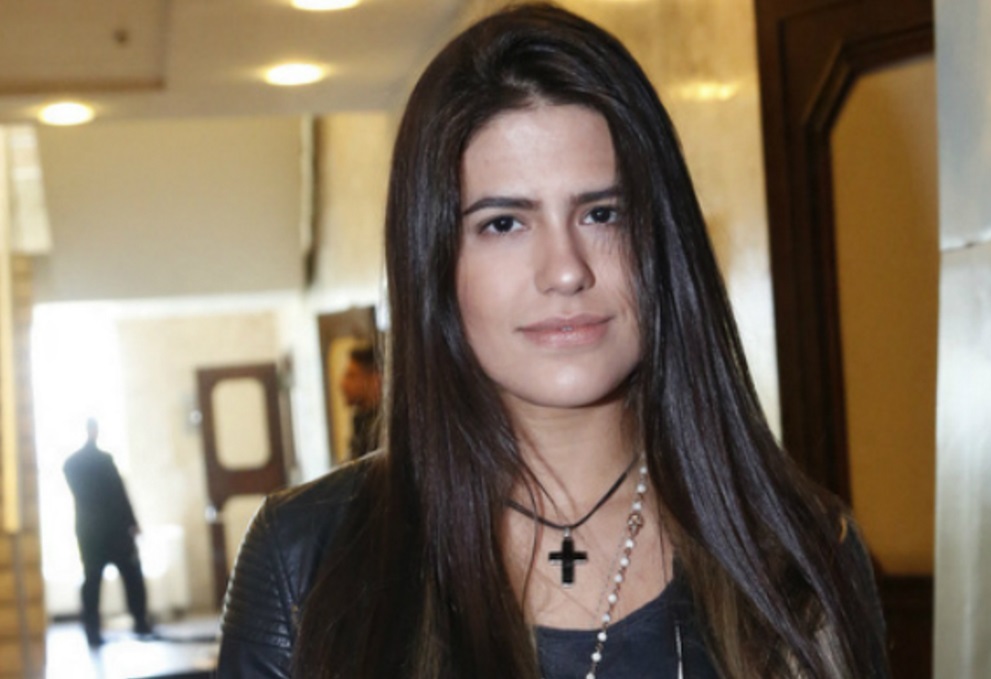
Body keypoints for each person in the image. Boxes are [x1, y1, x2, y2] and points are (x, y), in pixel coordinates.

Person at [218, 4, 890, 678]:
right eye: (503, 223)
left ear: (662, 240)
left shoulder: (798, 552)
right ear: (434, 263)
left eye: (602, 213)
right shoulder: (308, 556)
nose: (566, 269)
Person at [63, 418, 152, 646]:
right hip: (110, 530)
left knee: (100, 580)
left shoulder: (73, 464)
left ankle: (97, 629)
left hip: (93, 531)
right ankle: (137, 621)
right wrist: (131, 523)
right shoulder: (96, 462)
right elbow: (119, 494)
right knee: (120, 577)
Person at [338, 345, 383, 458]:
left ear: (375, 380)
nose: (343, 384)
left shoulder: (383, 429)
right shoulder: (361, 421)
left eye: (352, 376)